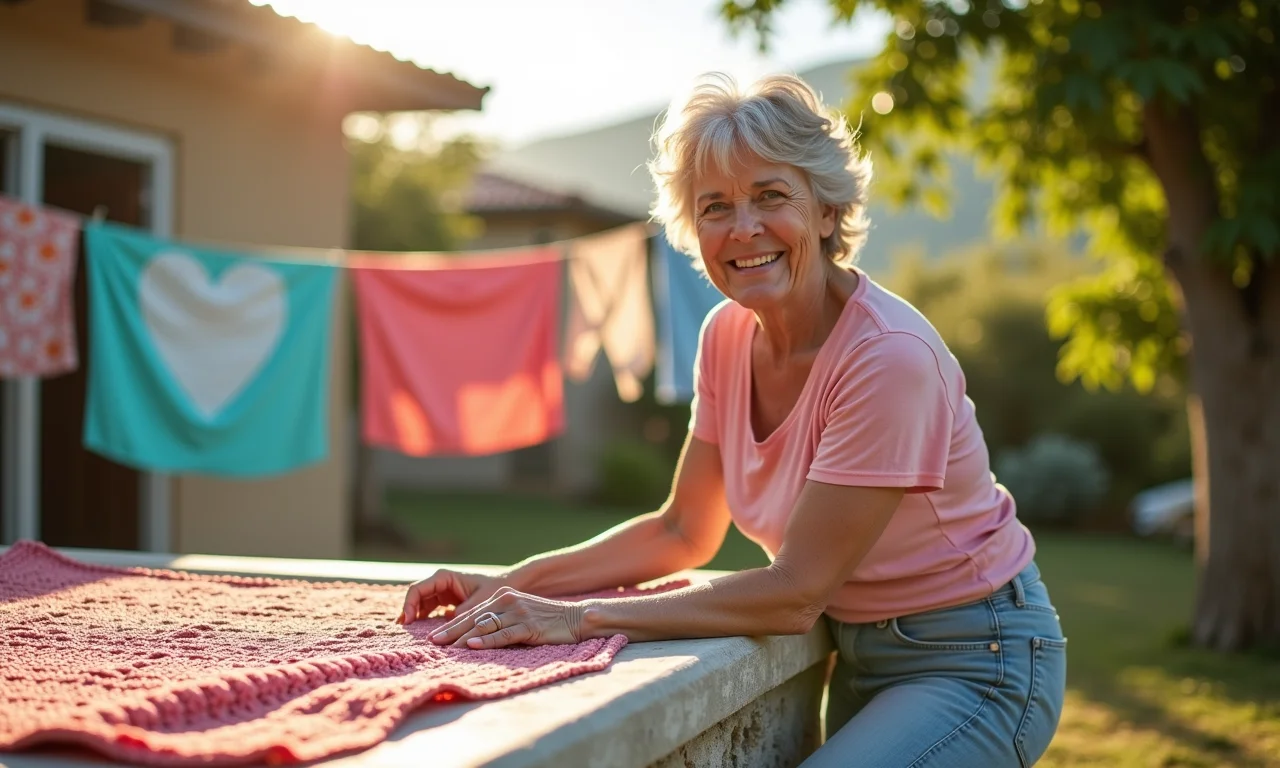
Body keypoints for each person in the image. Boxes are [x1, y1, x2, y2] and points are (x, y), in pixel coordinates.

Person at [399, 72, 1067, 766]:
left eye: (771, 196)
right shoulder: (725, 335)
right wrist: (512, 583)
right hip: (861, 654)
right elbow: (682, 529)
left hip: (976, 659)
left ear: (827, 211)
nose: (743, 228)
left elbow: (795, 593)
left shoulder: (887, 359)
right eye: (715, 206)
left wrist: (572, 619)